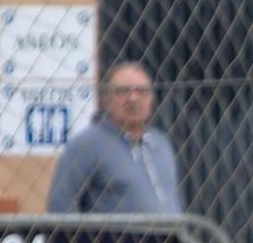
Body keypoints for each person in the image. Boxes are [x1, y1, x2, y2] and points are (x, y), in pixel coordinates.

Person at [46, 60, 182, 215]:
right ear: (107, 100)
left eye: (141, 91)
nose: (133, 99)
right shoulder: (87, 144)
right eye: (123, 91)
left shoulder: (160, 143)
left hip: (170, 238)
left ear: (151, 98)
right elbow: (60, 205)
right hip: (116, 239)